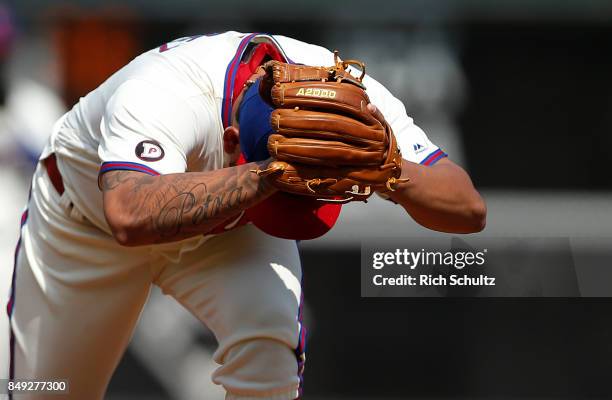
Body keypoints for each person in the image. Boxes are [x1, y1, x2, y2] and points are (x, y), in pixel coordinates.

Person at [6, 31, 486, 400]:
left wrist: (384, 165)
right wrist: (270, 176)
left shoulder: (353, 93)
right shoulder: (163, 91)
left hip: (231, 228)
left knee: (270, 346)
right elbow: (129, 215)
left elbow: (467, 208)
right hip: (86, 224)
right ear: (233, 144)